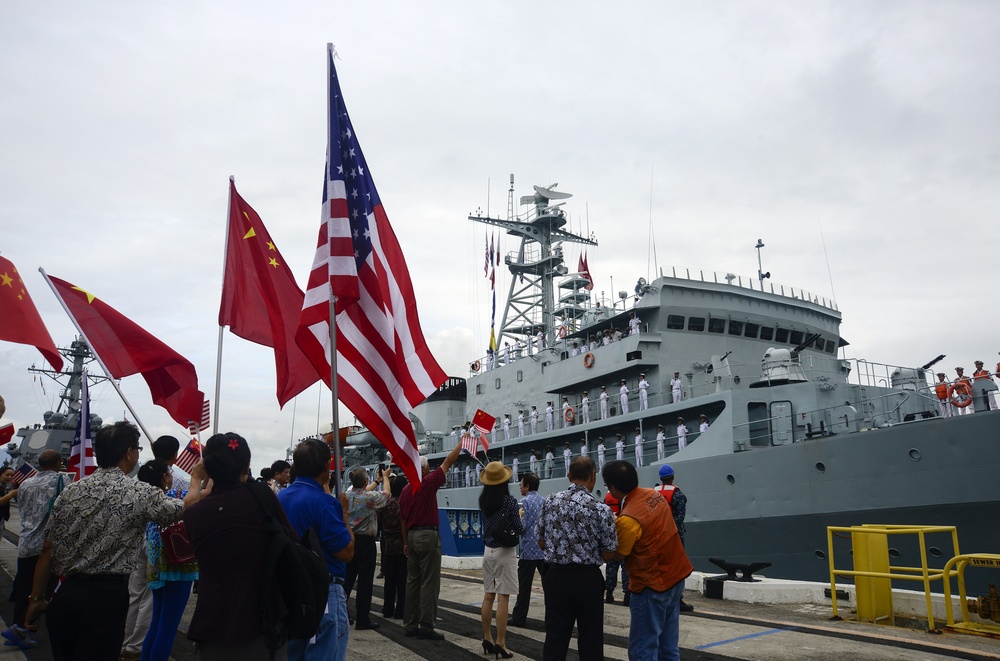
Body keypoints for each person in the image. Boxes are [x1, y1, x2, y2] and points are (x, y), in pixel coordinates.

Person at [27, 421, 206, 661]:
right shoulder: (140, 492)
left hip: (65, 595)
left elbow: (47, 548)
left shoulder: (70, 491)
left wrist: (36, 598)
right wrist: (196, 479)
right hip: (105, 599)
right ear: (129, 453)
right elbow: (187, 509)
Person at [184, 432, 292, 659]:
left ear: (207, 468)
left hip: (212, 620)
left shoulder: (196, 513)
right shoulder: (261, 496)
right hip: (262, 618)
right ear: (246, 467)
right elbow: (289, 540)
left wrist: (196, 481)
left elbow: (190, 511)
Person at [602, 460, 693, 661]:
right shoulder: (655, 496)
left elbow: (618, 555)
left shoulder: (627, 520)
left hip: (652, 586)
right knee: (668, 648)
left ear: (612, 488)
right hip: (676, 578)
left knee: (642, 650)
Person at [278, 438, 356, 660]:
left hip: (289, 588)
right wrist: (344, 515)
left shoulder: (280, 497)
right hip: (324, 591)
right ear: (326, 466)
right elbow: (346, 553)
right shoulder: (326, 504)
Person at [536, 457, 617, 661]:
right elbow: (609, 553)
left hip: (556, 577)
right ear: (593, 477)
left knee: (555, 637)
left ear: (569, 476)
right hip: (588, 580)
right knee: (591, 640)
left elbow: (541, 541)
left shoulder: (550, 501)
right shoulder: (602, 510)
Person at [399, 440, 463, 640]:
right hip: (428, 535)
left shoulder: (405, 490)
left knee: (412, 583)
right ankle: (426, 626)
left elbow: (403, 520)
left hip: (411, 536)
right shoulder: (427, 483)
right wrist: (461, 443)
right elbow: (448, 462)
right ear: (425, 469)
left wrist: (406, 542)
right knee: (429, 583)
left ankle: (410, 624)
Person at [137, 460, 199, 661]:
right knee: (168, 628)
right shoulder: (172, 496)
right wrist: (198, 477)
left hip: (156, 565)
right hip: (177, 566)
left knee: (157, 623)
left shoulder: (144, 498)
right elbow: (198, 499)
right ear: (165, 477)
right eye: (170, 472)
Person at [4, 450, 61, 651]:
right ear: (58, 463)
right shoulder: (61, 482)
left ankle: (18, 626)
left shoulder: (26, 484)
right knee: (43, 592)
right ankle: (21, 627)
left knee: (23, 589)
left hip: (26, 543)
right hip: (47, 547)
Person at [478, 462, 522, 659]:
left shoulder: (483, 501)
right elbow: (518, 528)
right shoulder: (510, 502)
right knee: (503, 597)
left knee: (489, 595)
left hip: (488, 550)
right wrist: (519, 515)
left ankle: (487, 637)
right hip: (505, 551)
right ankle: (501, 642)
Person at [343, 465, 391, 630]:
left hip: (349, 540)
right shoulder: (369, 497)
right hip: (365, 542)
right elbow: (386, 495)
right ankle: (363, 619)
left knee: (347, 580)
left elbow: (360, 493)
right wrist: (385, 478)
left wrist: (376, 481)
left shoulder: (345, 496)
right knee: (365, 582)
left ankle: (341, 614)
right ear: (365, 481)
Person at [654, 464, 692, 612]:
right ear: (673, 476)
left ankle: (660, 595)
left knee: (660, 566)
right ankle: (678, 599)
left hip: (657, 535)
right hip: (674, 537)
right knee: (677, 567)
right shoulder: (677, 495)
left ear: (661, 478)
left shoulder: (654, 492)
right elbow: (680, 516)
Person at [509, 472, 543, 627]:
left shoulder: (523, 503)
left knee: (524, 587)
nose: (520, 487)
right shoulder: (544, 501)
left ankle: (519, 618)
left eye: (521, 484)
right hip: (543, 550)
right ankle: (551, 619)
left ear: (527, 486)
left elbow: (521, 526)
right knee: (549, 587)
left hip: (528, 551)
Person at [378, 475, 407, 619]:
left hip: (388, 545)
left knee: (389, 581)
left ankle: (387, 609)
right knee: (402, 582)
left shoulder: (386, 503)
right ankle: (400, 610)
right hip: (402, 545)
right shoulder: (404, 503)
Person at [603, 491, 629, 605]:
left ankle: (609, 593)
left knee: (611, 566)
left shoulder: (607, 496)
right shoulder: (624, 496)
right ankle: (627, 595)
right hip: (623, 534)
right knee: (625, 566)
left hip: (612, 534)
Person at [0, 466, 18, 541]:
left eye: (12, 476)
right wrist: (11, 494)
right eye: (7, 475)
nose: (10, 477)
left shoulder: (3, 487)